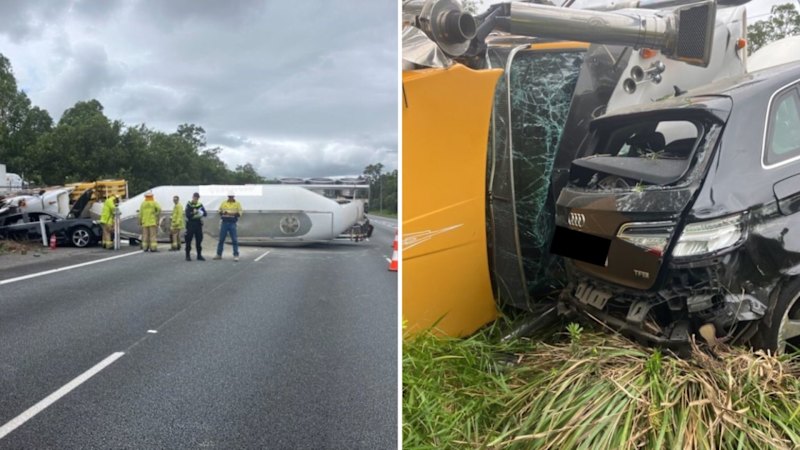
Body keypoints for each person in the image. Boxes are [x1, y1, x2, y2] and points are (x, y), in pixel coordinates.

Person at [214, 191, 243, 261]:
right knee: (221, 239)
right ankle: (219, 254)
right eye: (229, 197)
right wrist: (222, 212)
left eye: (231, 197)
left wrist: (232, 214)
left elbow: (240, 212)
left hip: (232, 223)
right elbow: (219, 210)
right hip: (224, 223)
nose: (230, 198)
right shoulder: (224, 203)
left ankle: (236, 255)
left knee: (234, 240)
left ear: (233, 197)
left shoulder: (237, 203)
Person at [184, 192, 207, 261]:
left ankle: (199, 255)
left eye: (197, 198)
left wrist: (199, 213)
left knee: (199, 240)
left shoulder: (200, 205)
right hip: (190, 224)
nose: (196, 199)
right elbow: (188, 215)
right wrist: (194, 213)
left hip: (198, 224)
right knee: (188, 240)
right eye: (195, 197)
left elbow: (205, 213)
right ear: (192, 197)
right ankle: (187, 255)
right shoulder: (189, 204)